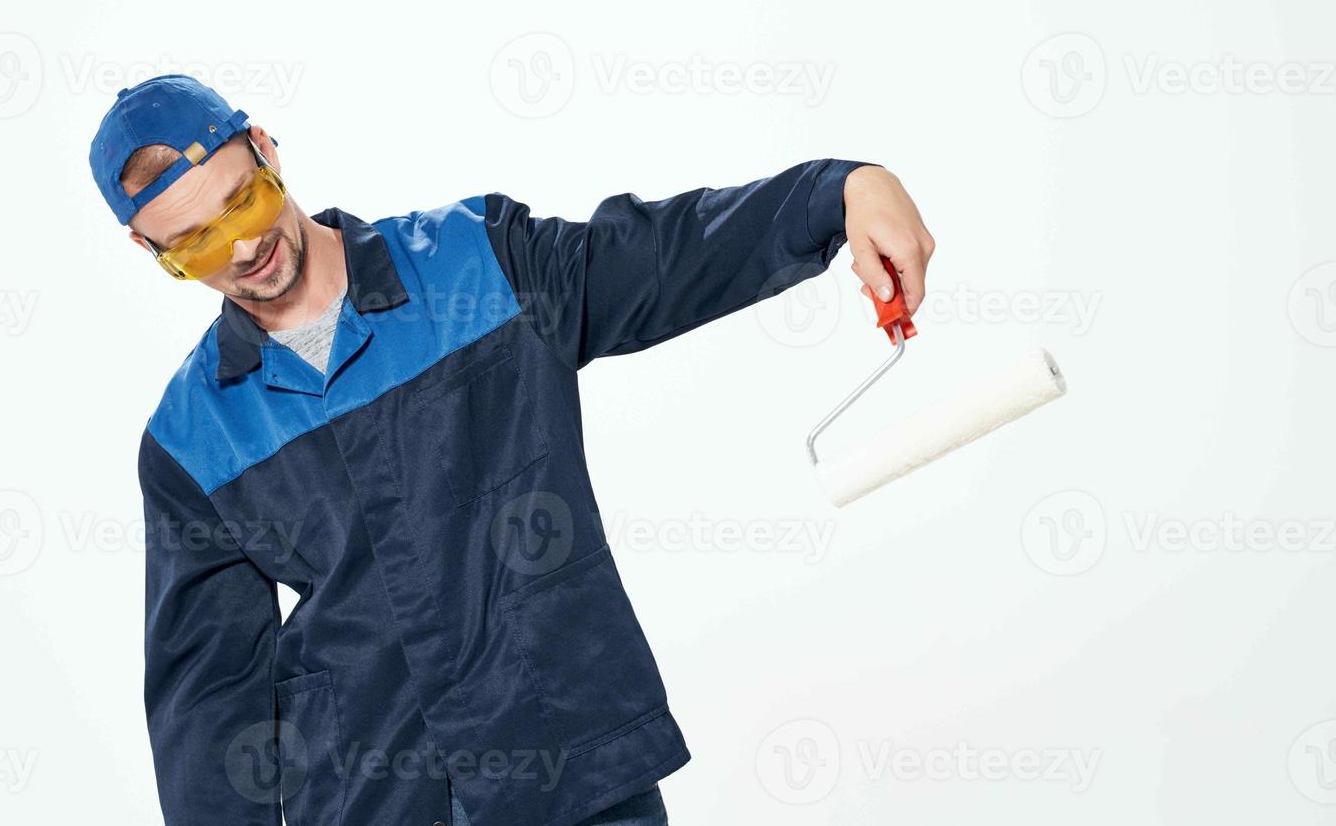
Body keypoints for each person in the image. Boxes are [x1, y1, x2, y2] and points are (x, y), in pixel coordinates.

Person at [89, 74, 933, 826]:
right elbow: (208, 702)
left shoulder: (476, 263)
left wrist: (842, 192)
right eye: (194, 244)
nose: (241, 249)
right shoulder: (190, 440)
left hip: (574, 777)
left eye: (243, 203)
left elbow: (659, 256)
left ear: (265, 148)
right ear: (150, 251)